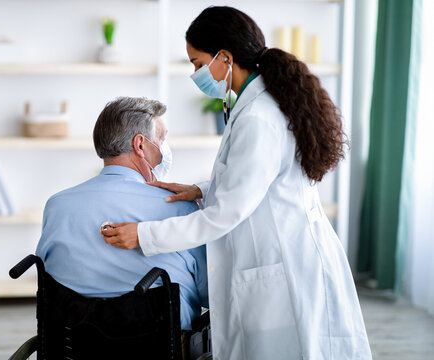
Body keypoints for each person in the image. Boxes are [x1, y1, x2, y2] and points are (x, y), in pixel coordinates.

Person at [101, 6, 372, 360]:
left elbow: (224, 216)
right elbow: (258, 180)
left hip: (284, 265)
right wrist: (201, 189)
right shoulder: (254, 105)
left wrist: (144, 234)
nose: (196, 74)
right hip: (282, 253)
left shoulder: (259, 117)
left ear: (225, 58)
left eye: (198, 64)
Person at [36, 96, 208, 330]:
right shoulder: (178, 205)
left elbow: (49, 278)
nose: (165, 148)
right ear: (140, 145)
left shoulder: (57, 206)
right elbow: (209, 293)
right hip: (157, 343)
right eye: (162, 138)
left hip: (74, 342)